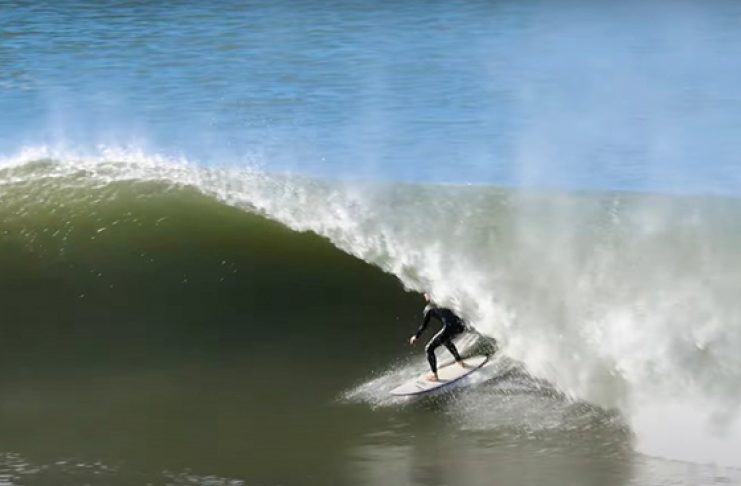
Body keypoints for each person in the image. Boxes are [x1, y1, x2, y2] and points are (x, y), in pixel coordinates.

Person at [409, 293, 469, 381]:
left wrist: (416, 336)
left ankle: (435, 376)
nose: (424, 295)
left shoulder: (429, 308)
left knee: (429, 349)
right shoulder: (444, 302)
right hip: (461, 326)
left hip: (450, 327)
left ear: (429, 296)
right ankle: (460, 362)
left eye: (426, 294)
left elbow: (424, 326)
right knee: (446, 340)